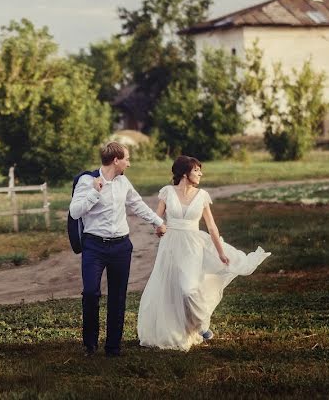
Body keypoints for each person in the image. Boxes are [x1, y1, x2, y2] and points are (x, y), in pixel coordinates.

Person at [136, 155, 270, 351]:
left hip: (192, 245)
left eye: (200, 170)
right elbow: (157, 217)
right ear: (184, 172)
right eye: (197, 170)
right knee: (169, 287)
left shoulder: (202, 196)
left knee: (188, 289)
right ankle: (173, 331)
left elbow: (212, 227)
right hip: (170, 244)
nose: (200, 173)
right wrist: (158, 227)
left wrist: (221, 252)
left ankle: (201, 325)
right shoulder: (167, 192)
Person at [69, 142, 167, 357]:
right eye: (127, 159)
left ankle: (113, 347)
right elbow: (75, 212)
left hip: (121, 246)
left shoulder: (123, 182)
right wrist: (95, 193)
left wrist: (158, 222)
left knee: (118, 296)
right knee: (91, 293)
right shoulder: (87, 181)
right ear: (116, 160)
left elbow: (137, 204)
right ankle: (90, 344)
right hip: (94, 246)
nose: (128, 163)